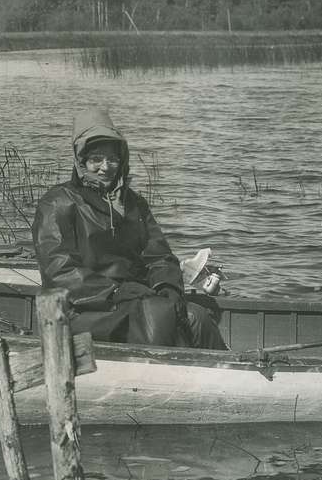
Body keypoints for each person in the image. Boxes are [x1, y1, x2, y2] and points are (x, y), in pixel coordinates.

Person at [32, 108, 227, 349]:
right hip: (83, 308)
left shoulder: (133, 203)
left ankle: (221, 375)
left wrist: (167, 286)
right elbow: (59, 272)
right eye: (96, 159)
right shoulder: (58, 203)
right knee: (155, 315)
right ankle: (161, 377)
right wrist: (116, 292)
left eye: (112, 159)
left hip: (136, 299)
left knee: (196, 316)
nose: (105, 167)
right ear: (81, 161)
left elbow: (159, 256)